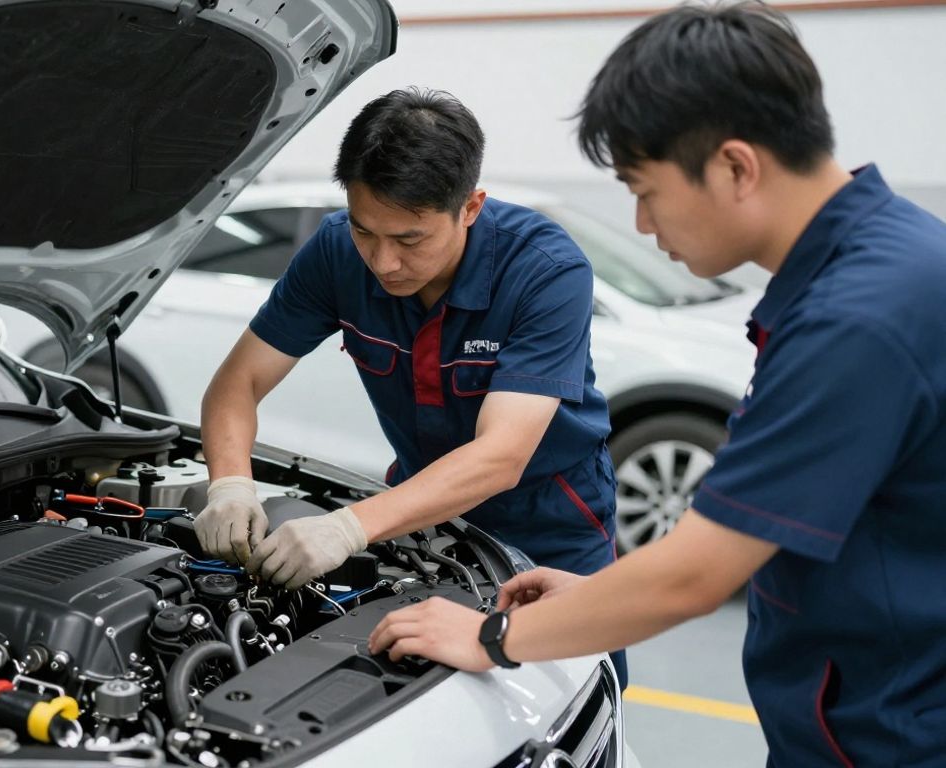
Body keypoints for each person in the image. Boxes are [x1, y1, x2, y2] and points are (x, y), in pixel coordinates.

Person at [367, 4, 946, 766]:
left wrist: (490, 637)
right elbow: (758, 523)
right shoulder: (889, 262)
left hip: (894, 734)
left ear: (736, 167)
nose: (641, 223)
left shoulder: (856, 318)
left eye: (645, 189)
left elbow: (698, 574)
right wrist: (594, 601)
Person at [195, 87, 626, 683]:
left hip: (552, 529)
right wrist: (231, 485)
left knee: (574, 690)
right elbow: (236, 384)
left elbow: (500, 456)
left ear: (470, 207)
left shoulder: (545, 271)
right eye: (365, 231)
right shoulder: (334, 253)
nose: (383, 262)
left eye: (409, 240)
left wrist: (348, 526)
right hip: (426, 525)